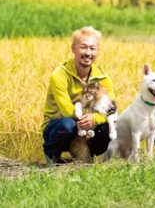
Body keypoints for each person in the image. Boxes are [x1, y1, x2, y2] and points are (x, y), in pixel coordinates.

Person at [42, 26, 115, 164]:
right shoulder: (59, 75)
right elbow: (67, 111)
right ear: (73, 48)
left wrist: (95, 118)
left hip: (88, 129)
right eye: (83, 47)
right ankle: (52, 155)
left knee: (110, 128)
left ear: (98, 51)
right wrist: (86, 119)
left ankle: (87, 157)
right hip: (59, 126)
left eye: (92, 48)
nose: (88, 53)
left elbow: (111, 109)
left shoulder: (103, 77)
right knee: (68, 125)